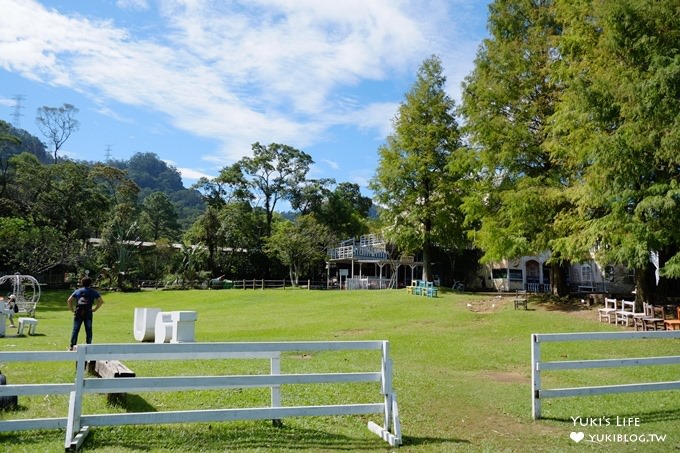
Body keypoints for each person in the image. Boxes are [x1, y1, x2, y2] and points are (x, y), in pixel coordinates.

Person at [67, 277, 104, 350]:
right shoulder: (93, 291)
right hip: (88, 312)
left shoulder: (78, 291)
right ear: (90, 283)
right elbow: (101, 301)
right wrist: (95, 309)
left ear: (82, 283)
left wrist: (72, 309)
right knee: (88, 329)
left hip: (79, 312)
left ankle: (72, 346)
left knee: (75, 329)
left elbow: (69, 300)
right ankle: (89, 346)